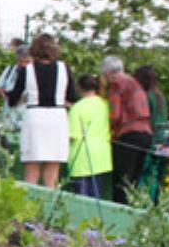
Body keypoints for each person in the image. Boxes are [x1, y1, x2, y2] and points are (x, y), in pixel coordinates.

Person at [7, 33, 75, 189]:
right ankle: (49, 209)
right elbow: (73, 96)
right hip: (57, 118)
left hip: (35, 117)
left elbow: (13, 99)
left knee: (31, 173)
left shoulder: (27, 70)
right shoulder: (64, 68)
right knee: (52, 175)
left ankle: (29, 210)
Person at [100, 56, 151, 205]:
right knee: (133, 181)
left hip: (129, 134)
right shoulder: (135, 83)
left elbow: (115, 115)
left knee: (121, 180)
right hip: (146, 134)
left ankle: (119, 213)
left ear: (107, 73)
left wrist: (108, 128)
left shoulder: (116, 84)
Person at [67, 75, 112, 198]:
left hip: (81, 156)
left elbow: (72, 135)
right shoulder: (105, 104)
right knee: (96, 195)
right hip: (102, 155)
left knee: (81, 197)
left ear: (79, 88)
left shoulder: (77, 108)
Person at [134, 65, 169, 203]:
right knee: (156, 174)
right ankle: (154, 202)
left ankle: (144, 203)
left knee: (145, 174)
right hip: (164, 140)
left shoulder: (146, 96)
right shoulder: (160, 96)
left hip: (152, 139)